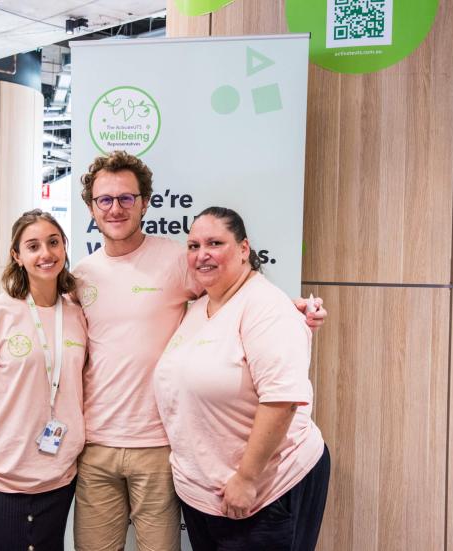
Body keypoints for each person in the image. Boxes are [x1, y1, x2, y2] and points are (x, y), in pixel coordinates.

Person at [72, 151, 327, 551]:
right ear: (91, 207)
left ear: (144, 202)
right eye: (105, 199)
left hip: (157, 445)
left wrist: (291, 311)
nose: (116, 208)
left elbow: (237, 292)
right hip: (98, 442)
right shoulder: (80, 275)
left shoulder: (178, 260)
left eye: (126, 198)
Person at [153, 206, 330, 551]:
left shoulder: (266, 306)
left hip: (262, 491)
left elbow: (282, 399)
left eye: (215, 243)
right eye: (193, 246)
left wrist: (247, 479)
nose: (202, 254)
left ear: (244, 249)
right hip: (207, 495)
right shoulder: (199, 308)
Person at [0, 209, 88, 551]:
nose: (45, 253)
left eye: (53, 242)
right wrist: (0, 433)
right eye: (33, 246)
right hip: (0, 476)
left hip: (57, 476)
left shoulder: (75, 313)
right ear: (17, 256)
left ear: (64, 247)